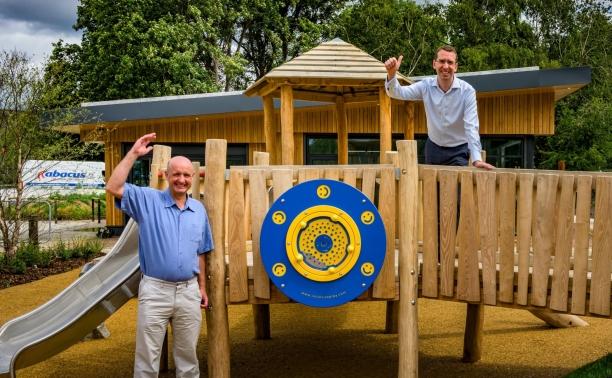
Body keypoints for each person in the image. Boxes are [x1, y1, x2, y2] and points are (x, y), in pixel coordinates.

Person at [106, 132, 213, 378]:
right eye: (176, 174)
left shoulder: (199, 210)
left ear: (193, 178)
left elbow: (201, 252)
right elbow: (113, 186)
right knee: (147, 361)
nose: (182, 179)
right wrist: (133, 153)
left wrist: (202, 287)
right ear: (166, 175)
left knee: (188, 360)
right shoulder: (148, 200)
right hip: (155, 291)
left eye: (187, 175)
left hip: (189, 292)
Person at [385, 45, 495, 170]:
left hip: (458, 151)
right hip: (433, 148)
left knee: (455, 189)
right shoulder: (425, 86)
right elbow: (397, 93)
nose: (446, 66)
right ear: (434, 64)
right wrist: (391, 75)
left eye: (450, 62)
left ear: (456, 67)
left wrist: (476, 159)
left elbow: (471, 126)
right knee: (431, 188)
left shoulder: (467, 91)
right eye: (442, 61)